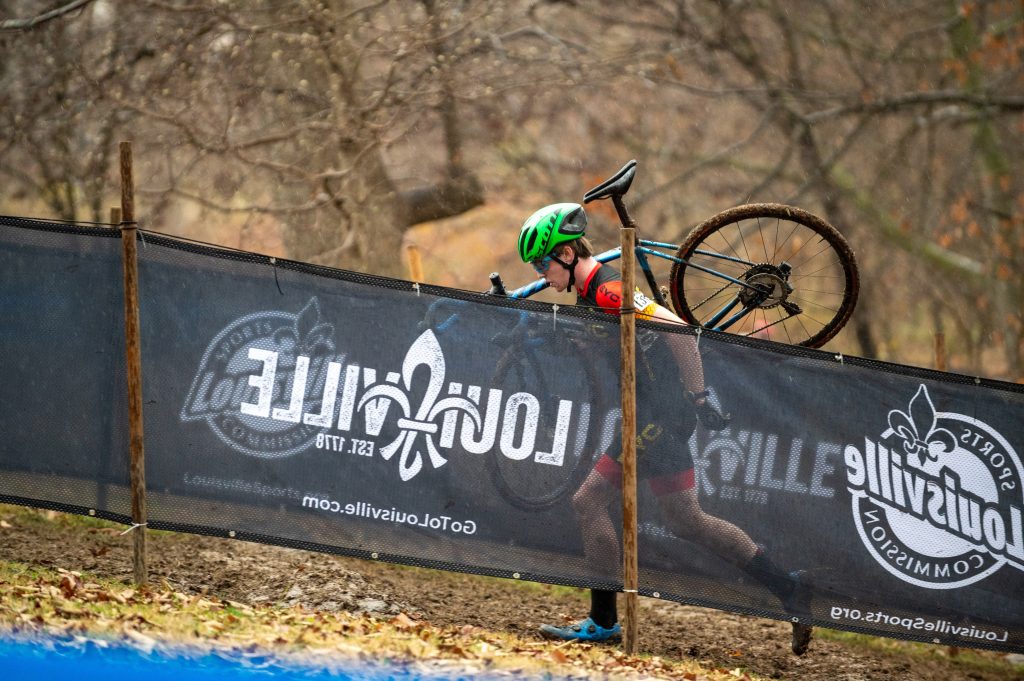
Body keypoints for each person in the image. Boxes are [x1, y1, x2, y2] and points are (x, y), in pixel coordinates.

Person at [516, 202, 814, 656]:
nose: (541, 272)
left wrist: (698, 396)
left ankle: (602, 621)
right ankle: (789, 587)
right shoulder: (589, 294)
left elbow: (677, 331)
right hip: (656, 415)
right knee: (686, 520)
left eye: (542, 262)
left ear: (568, 255)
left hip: (659, 417)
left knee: (588, 499)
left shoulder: (609, 288)